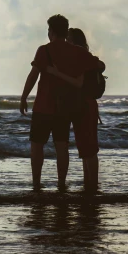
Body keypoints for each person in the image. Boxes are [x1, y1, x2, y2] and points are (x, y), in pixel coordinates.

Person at [20, 14, 83, 191]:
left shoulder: (44, 50)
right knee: (61, 145)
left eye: (49, 30)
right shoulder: (74, 51)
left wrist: (24, 97)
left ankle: (37, 183)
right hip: (64, 108)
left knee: (37, 146)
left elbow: (34, 75)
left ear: (52, 31)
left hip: (43, 106)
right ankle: (61, 184)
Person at [64, 27, 105, 194]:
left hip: (85, 105)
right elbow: (100, 65)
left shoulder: (81, 56)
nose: (66, 42)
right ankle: (89, 183)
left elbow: (99, 66)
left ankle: (92, 185)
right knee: (85, 147)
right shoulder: (83, 56)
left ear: (73, 41)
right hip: (85, 105)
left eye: (68, 39)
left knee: (88, 148)